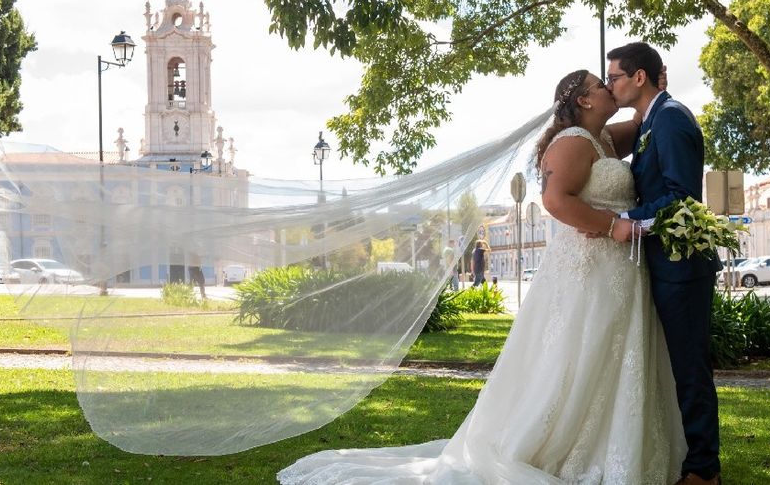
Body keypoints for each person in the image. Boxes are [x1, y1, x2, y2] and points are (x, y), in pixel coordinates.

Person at [277, 70, 686, 484]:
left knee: (608, 354)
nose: (609, 89)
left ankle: (610, 442)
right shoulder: (573, 143)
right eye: (602, 85)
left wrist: (652, 84)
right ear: (583, 100)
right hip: (589, 264)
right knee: (576, 354)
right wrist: (611, 225)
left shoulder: (604, 138)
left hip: (616, 269)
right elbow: (554, 200)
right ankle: (563, 447)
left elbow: (643, 118)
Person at [605, 42, 723, 485]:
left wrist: (621, 220)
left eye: (614, 76)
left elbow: (681, 200)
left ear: (639, 77)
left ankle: (703, 470)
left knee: (691, 368)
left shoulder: (670, 118)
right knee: (677, 367)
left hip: (682, 265)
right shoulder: (649, 120)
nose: (610, 84)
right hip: (664, 263)